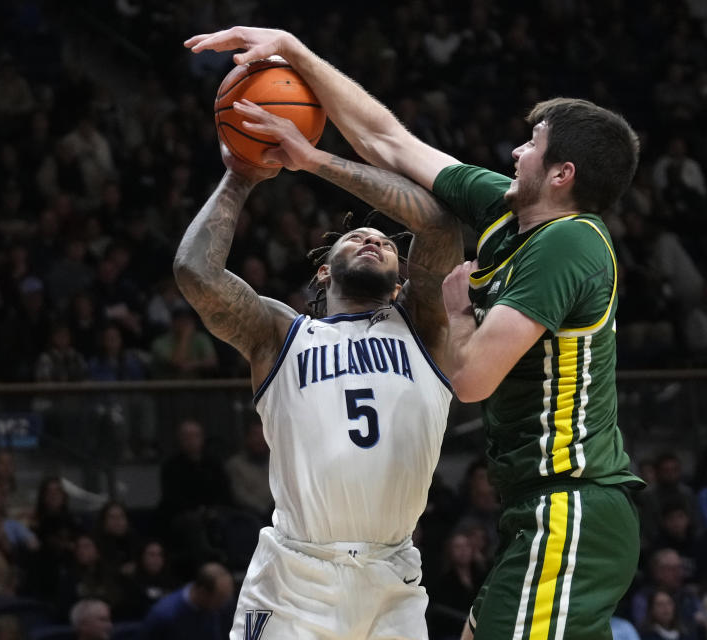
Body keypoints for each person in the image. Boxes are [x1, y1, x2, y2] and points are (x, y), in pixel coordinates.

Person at [186, 25, 643, 639]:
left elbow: (473, 376)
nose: (514, 152)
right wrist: (294, 56)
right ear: (321, 270)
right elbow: (388, 140)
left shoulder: (566, 244)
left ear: (561, 174)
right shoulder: (506, 214)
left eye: (530, 145)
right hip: (350, 556)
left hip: (565, 500)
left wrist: (455, 313)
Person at [172, 98, 461, 637]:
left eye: (385, 242)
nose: (373, 237)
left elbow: (440, 223)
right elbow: (195, 271)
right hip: (295, 577)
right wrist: (239, 176)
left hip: (392, 578)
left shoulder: (423, 327)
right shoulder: (279, 335)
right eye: (354, 238)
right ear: (324, 273)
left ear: (402, 284)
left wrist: (313, 159)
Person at [140, 562, 235, 640]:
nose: (224, 604)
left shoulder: (222, 607)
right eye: (220, 599)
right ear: (202, 593)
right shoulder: (164, 616)